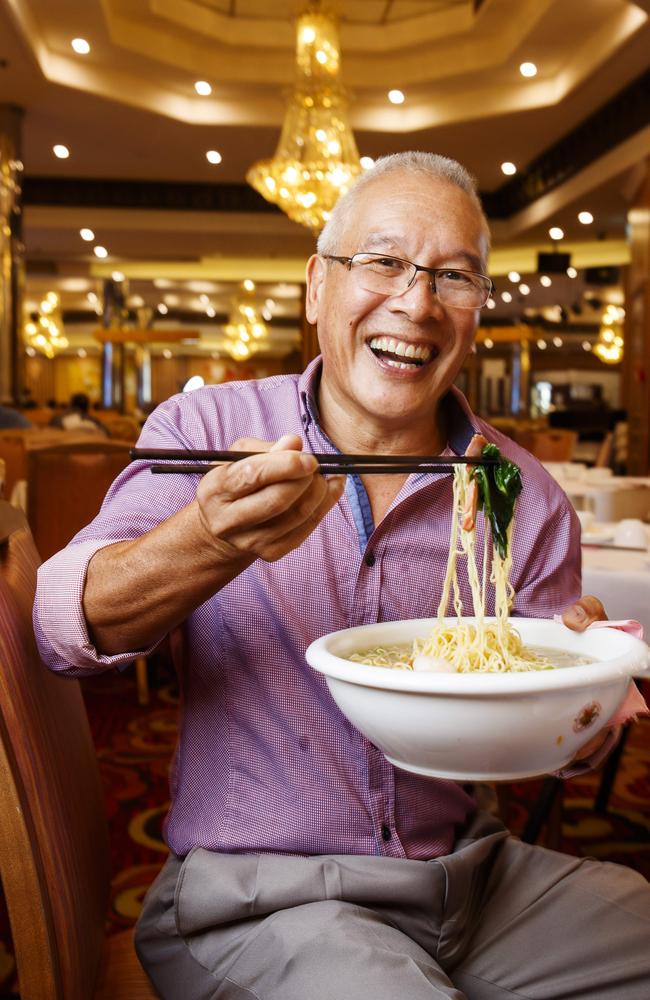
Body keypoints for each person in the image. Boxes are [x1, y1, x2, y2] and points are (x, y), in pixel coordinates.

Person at [34, 152, 650, 1000]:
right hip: (259, 895)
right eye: (385, 262)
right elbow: (66, 626)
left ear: (475, 311)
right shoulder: (209, 427)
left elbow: (560, 743)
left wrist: (589, 693)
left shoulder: (518, 491)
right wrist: (210, 536)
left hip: (470, 880)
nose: (417, 301)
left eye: (454, 277)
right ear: (318, 288)